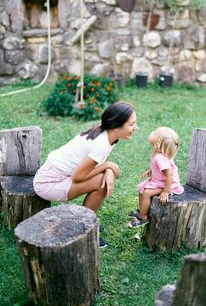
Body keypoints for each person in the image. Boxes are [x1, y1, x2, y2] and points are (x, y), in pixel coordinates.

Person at [33, 101, 137, 247]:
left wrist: (107, 169)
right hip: (48, 184)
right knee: (102, 183)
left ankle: (85, 220)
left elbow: (100, 160)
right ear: (116, 126)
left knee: (103, 178)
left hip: (60, 176)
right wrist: (107, 166)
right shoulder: (101, 144)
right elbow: (77, 177)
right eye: (132, 124)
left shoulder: (107, 135)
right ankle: (83, 227)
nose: (135, 128)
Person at [128, 126, 184, 228]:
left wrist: (166, 192)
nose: (152, 131)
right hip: (160, 181)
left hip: (169, 184)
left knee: (146, 193)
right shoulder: (157, 154)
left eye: (154, 133)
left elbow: (170, 176)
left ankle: (143, 217)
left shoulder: (160, 158)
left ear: (158, 144)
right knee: (141, 189)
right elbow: (158, 168)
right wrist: (150, 171)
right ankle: (142, 209)